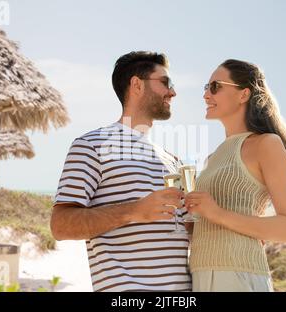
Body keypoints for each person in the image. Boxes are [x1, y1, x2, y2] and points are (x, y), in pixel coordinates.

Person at [50, 51, 191, 292]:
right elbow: (60, 225)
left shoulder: (173, 161)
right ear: (136, 84)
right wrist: (134, 211)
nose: (173, 92)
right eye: (165, 83)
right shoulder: (92, 145)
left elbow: (188, 232)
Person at [184, 59, 286, 292]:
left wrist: (216, 213)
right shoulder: (212, 158)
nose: (206, 95)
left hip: (238, 274)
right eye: (205, 88)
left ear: (243, 94)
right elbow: (215, 221)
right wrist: (191, 219)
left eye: (215, 87)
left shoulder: (266, 144)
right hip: (200, 275)